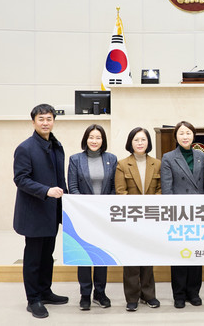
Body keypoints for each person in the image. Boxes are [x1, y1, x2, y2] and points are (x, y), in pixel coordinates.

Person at [12, 104, 69, 319]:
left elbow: (60, 178)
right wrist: (46, 191)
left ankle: (45, 291)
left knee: (48, 255)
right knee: (34, 258)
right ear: (33, 122)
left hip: (52, 212)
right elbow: (21, 179)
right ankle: (33, 299)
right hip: (34, 212)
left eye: (49, 119)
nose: (45, 123)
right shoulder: (25, 148)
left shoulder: (56, 145)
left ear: (54, 121)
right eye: (41, 119)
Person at [67, 124, 117, 310]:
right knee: (84, 255)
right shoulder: (75, 159)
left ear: (103, 140)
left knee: (101, 255)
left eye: (98, 137)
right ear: (85, 139)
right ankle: (85, 294)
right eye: (91, 137)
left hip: (103, 216)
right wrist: (87, 208)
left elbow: (114, 187)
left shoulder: (111, 159)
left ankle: (100, 293)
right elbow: (73, 187)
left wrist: (103, 207)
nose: (94, 141)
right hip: (83, 216)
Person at [160, 121, 204, 309]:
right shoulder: (168, 158)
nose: (185, 136)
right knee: (179, 254)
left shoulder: (201, 156)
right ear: (176, 137)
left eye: (188, 133)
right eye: (181, 133)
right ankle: (179, 294)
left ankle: (194, 292)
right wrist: (173, 212)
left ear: (193, 135)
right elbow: (167, 189)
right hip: (179, 212)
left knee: (197, 253)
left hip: (199, 211)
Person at [115, 127, 162, 312]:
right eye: (136, 140)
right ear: (130, 143)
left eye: (143, 139)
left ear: (148, 142)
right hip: (131, 218)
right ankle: (132, 297)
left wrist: (148, 207)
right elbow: (121, 192)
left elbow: (161, 189)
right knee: (131, 259)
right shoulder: (122, 164)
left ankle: (149, 295)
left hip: (151, 217)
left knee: (148, 257)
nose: (140, 143)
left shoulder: (157, 164)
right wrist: (138, 208)